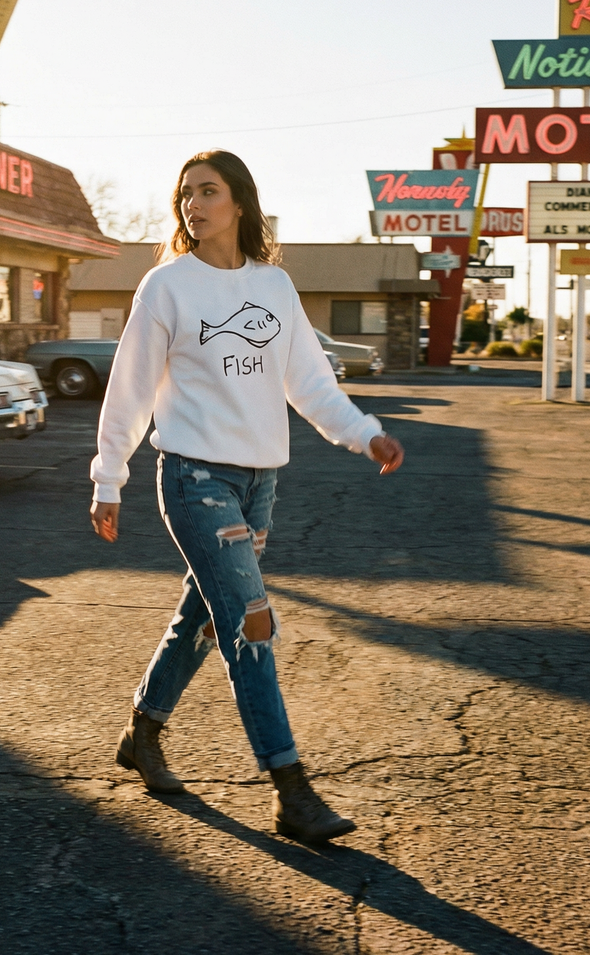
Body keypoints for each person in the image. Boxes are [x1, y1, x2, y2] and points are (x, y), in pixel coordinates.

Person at [90, 150, 404, 843]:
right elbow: (131, 390)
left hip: (259, 483)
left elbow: (310, 384)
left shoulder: (275, 285)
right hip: (195, 478)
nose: (193, 205)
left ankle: (142, 734)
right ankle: (291, 788)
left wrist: (364, 433)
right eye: (185, 195)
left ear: (239, 202)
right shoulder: (166, 286)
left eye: (208, 192)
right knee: (252, 624)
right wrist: (108, 477)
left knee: (204, 619)